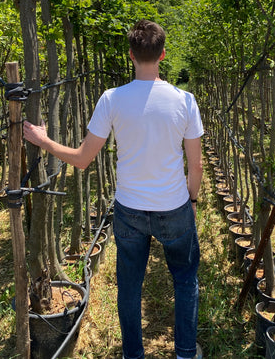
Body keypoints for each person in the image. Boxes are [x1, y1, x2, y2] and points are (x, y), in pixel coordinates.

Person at [23, 19, 204, 359]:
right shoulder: (185, 101)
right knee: (185, 281)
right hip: (174, 206)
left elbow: (81, 159)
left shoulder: (112, 99)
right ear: (162, 55)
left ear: (131, 55)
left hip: (130, 210)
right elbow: (195, 165)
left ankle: (133, 354)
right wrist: (191, 200)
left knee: (130, 288)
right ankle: (184, 353)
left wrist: (44, 141)